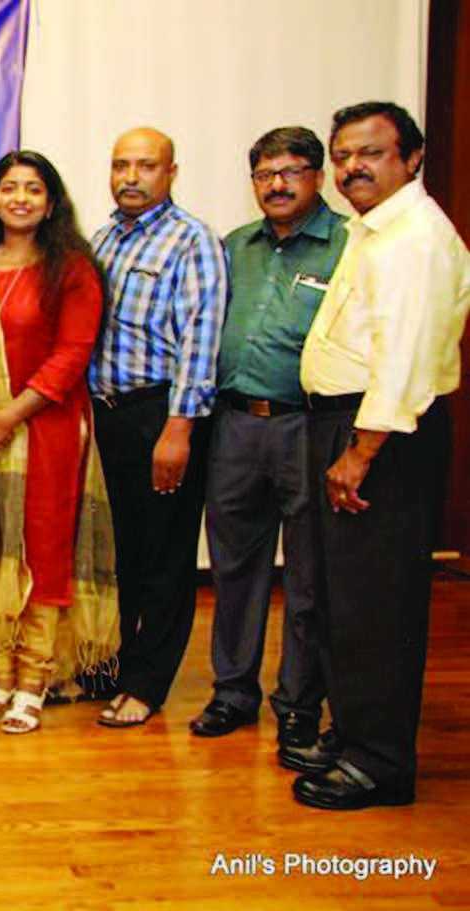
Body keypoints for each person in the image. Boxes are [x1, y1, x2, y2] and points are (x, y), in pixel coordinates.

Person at [292, 102, 470, 810]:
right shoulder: (373, 232)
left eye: (369, 153)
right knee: (343, 602)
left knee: (377, 606)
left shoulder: (415, 240)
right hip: (352, 427)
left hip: (382, 436)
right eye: (341, 155)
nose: (350, 168)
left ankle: (379, 763)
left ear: (412, 157)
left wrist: (361, 450)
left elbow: (401, 361)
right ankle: (355, 731)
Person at [0, 150, 120, 734]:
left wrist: (9, 416)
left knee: (43, 552)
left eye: (33, 189)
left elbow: (72, 355)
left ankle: (36, 678)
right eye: (9, 188)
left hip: (48, 431)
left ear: (50, 202)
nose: (20, 198)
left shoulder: (70, 269)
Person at [190, 127, 342, 756]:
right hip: (234, 428)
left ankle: (300, 706)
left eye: (292, 171)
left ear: (319, 176)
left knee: (309, 578)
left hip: (307, 428)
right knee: (235, 571)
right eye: (264, 174)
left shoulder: (348, 248)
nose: (277, 185)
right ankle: (233, 692)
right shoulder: (235, 246)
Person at [87, 127, 226, 728]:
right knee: (121, 551)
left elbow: (201, 340)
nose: (131, 177)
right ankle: (117, 663)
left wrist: (179, 429)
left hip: (161, 414)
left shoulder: (191, 241)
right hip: (107, 414)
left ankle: (147, 683)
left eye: (146, 166)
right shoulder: (103, 237)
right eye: (121, 165)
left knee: (165, 554)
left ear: (171, 173)